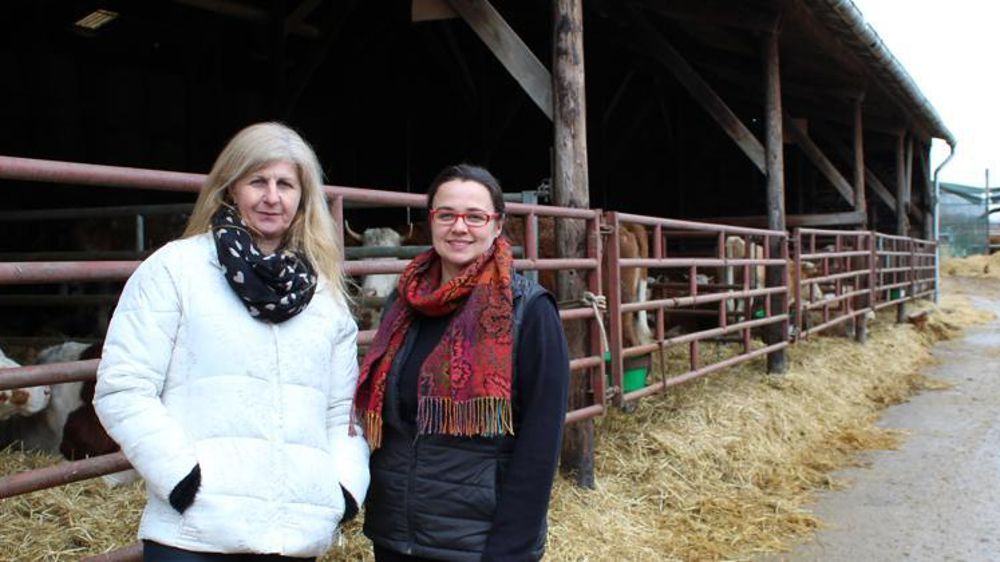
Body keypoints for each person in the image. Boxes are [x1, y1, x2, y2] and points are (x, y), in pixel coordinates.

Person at [94, 122, 369, 561]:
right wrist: (183, 481)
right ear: (230, 188)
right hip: (196, 533)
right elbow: (123, 388)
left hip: (294, 534)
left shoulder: (323, 295)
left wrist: (343, 490)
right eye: (257, 181)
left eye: (285, 184)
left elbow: (342, 412)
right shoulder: (174, 270)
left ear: (302, 197)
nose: (272, 197)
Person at [355, 164, 570, 561]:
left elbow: (540, 443)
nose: (459, 227)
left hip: (477, 543)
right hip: (394, 535)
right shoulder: (404, 302)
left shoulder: (528, 311)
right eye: (446, 214)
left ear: (497, 225)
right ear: (430, 221)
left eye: (475, 216)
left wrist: (511, 549)